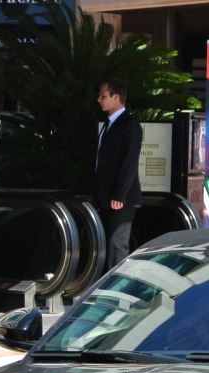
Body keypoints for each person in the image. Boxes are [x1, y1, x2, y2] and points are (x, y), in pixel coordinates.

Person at [94, 78, 143, 268]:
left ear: (116, 97)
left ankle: (117, 287)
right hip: (106, 196)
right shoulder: (108, 125)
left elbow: (129, 162)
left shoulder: (130, 125)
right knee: (107, 243)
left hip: (120, 198)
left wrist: (119, 195)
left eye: (103, 96)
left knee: (117, 244)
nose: (99, 99)